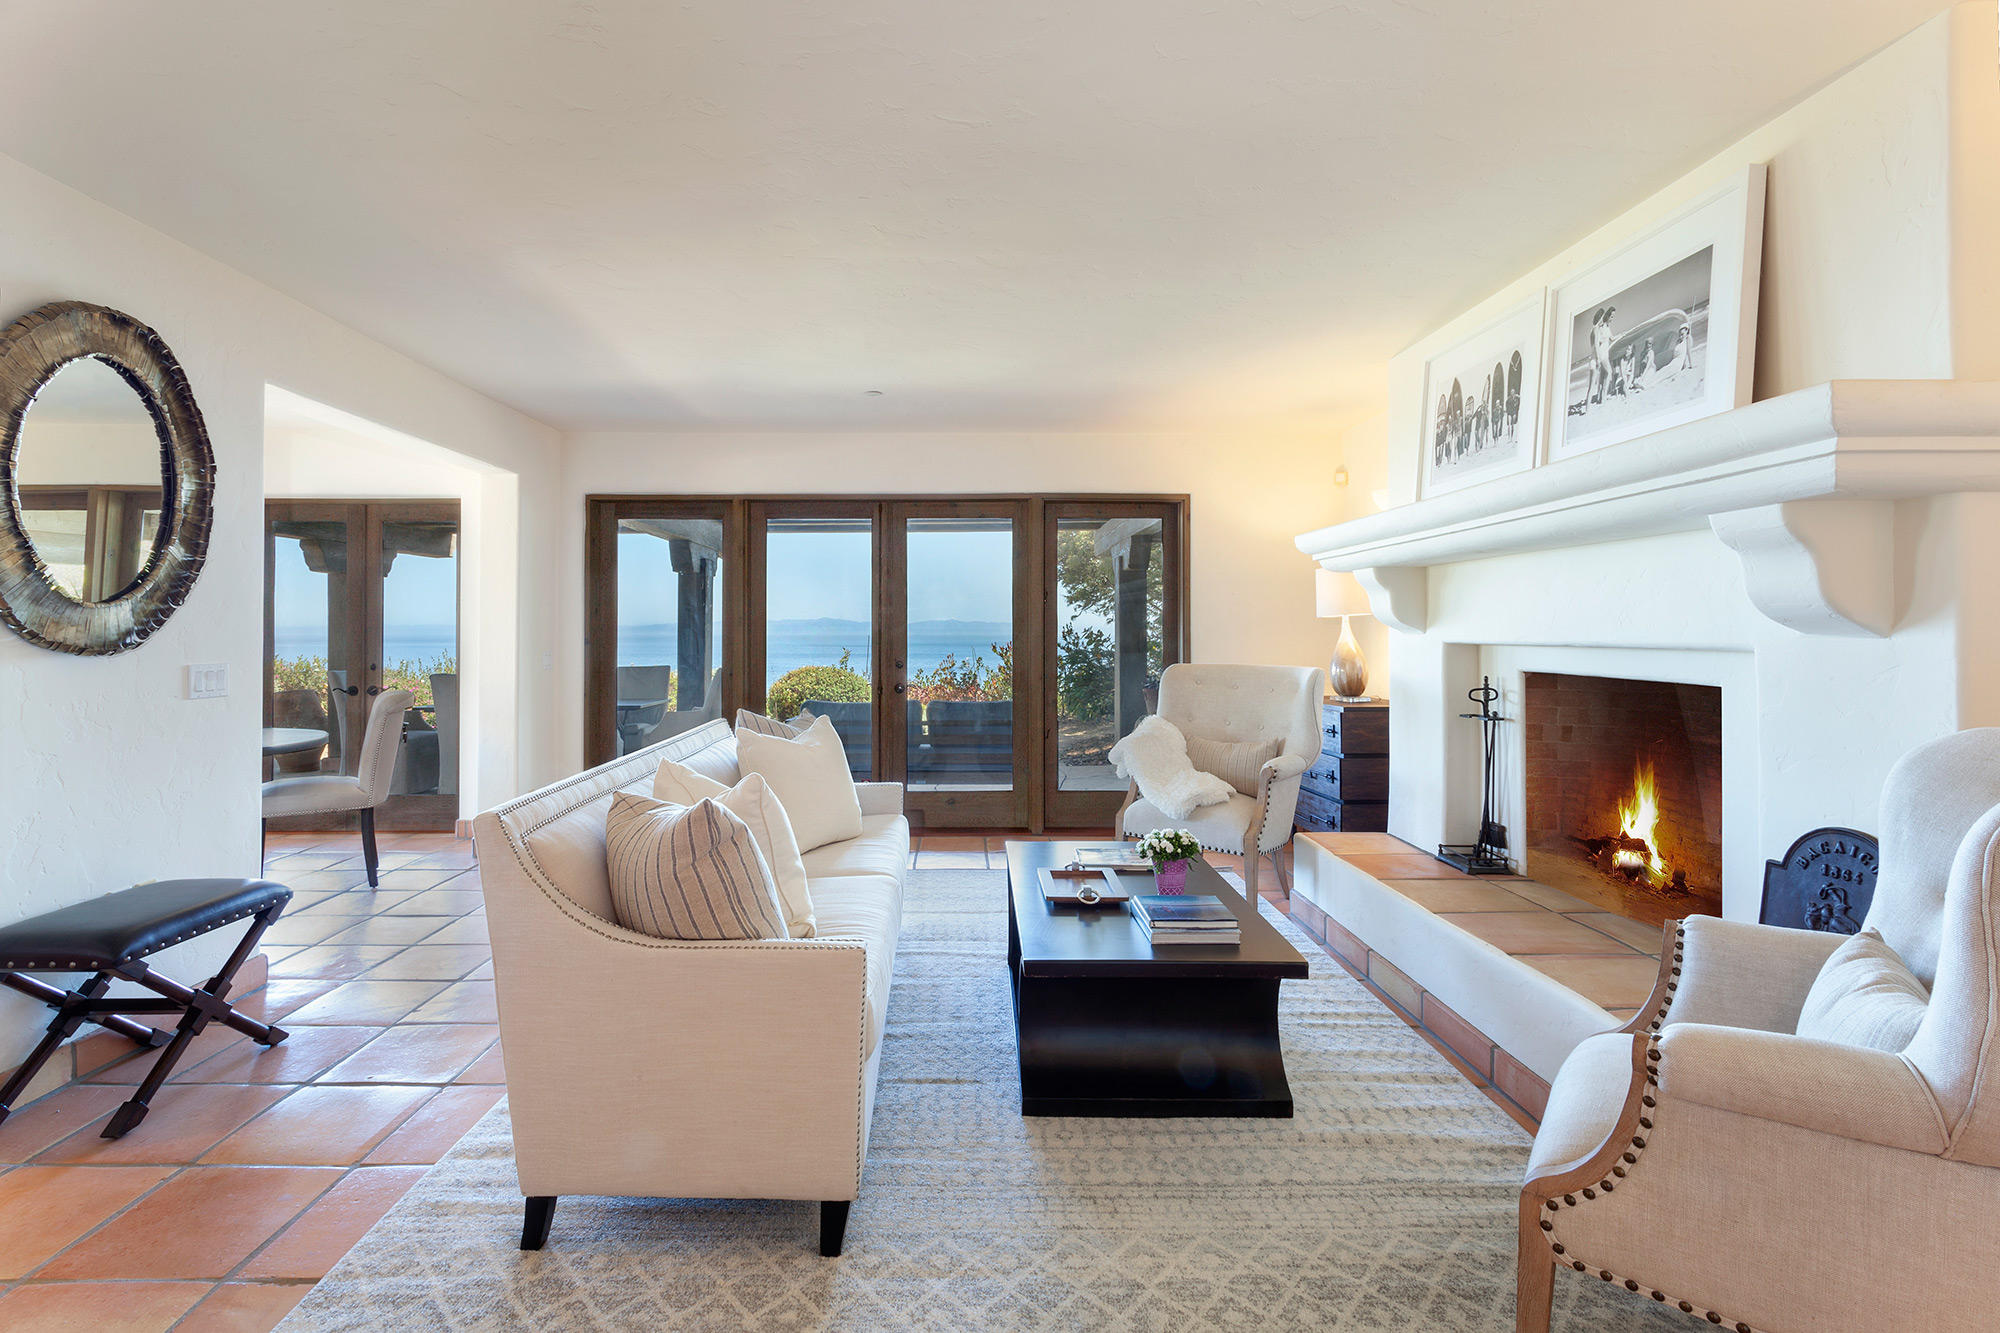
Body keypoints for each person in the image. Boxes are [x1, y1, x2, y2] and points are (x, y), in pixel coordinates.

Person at [1589, 307, 1616, 405]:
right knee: (1609, 372)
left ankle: (1599, 397)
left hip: (1605, 354)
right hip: (1602, 354)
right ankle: (1603, 396)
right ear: (1607, 316)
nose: (1612, 318)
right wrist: (1598, 358)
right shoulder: (1600, 328)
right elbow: (1597, 342)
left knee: (1603, 376)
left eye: (1613, 316)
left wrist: (1623, 335)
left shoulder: (1607, 327)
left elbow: (1612, 338)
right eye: (1611, 316)